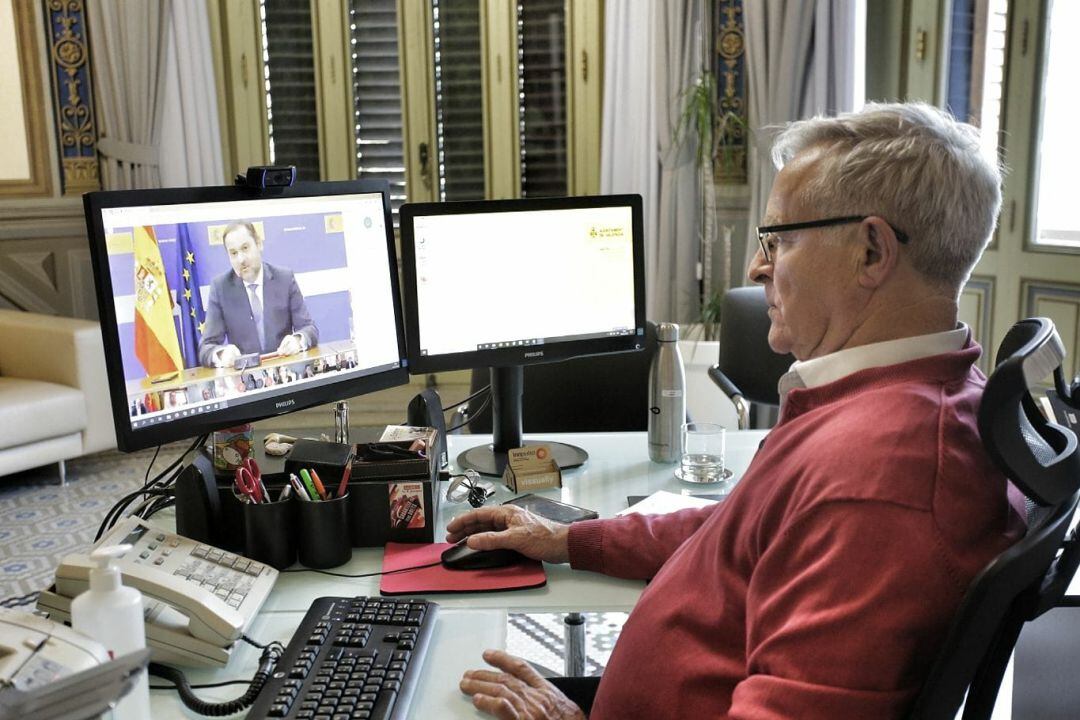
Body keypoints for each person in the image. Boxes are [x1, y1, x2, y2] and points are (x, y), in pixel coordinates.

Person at [449, 102, 1026, 719]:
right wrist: (568, 539)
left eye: (779, 239)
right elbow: (740, 530)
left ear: (871, 252)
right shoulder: (899, 399)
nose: (757, 266)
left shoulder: (877, 479)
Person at [198, 221, 319, 368]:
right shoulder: (220, 288)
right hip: (245, 379)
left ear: (259, 244)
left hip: (285, 372)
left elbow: (309, 329)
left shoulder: (284, 278)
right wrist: (222, 354)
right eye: (234, 253)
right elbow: (206, 347)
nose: (241, 259)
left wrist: (297, 341)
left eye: (245, 248)